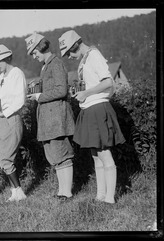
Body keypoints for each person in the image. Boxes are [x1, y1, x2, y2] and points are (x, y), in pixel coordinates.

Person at [58, 30, 126, 204]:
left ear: (75, 46)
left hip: (97, 108)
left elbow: (108, 82)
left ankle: (110, 198)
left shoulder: (94, 55)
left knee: (104, 153)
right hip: (89, 109)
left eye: (69, 53)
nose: (69, 57)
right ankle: (100, 195)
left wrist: (87, 92)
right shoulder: (85, 58)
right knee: (96, 155)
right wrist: (82, 93)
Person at [25, 33, 75, 201]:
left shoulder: (56, 64)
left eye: (34, 52)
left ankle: (67, 193)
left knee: (62, 155)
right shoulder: (47, 65)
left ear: (41, 47)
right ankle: (62, 191)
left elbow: (62, 90)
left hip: (57, 119)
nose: (34, 56)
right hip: (50, 119)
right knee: (55, 155)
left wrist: (40, 96)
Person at [0, 44, 27, 202]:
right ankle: (14, 191)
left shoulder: (17, 73)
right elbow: (4, 97)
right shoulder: (2, 77)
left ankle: (20, 191)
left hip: (11, 119)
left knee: (6, 158)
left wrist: (4, 113)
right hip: (0, 120)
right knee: (1, 158)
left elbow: (20, 99)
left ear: (5, 59)